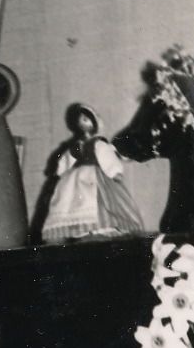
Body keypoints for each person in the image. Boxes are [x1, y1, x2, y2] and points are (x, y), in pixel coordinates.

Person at [41, 102, 145, 243]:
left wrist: (114, 171)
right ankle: (82, 229)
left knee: (98, 201)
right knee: (71, 203)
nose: (83, 123)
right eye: (80, 120)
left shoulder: (98, 143)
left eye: (86, 119)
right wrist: (60, 170)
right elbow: (68, 158)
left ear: (94, 123)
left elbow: (106, 156)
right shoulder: (76, 145)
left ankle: (99, 228)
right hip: (74, 181)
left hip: (95, 178)